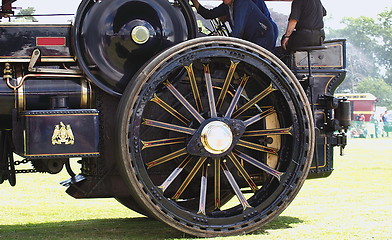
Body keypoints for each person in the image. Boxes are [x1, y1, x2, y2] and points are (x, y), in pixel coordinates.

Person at [191, 0, 277, 51]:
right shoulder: (226, 5)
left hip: (262, 37)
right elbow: (208, 14)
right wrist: (194, 1)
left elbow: (238, 32)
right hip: (251, 38)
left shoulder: (241, 3)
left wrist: (223, 43)